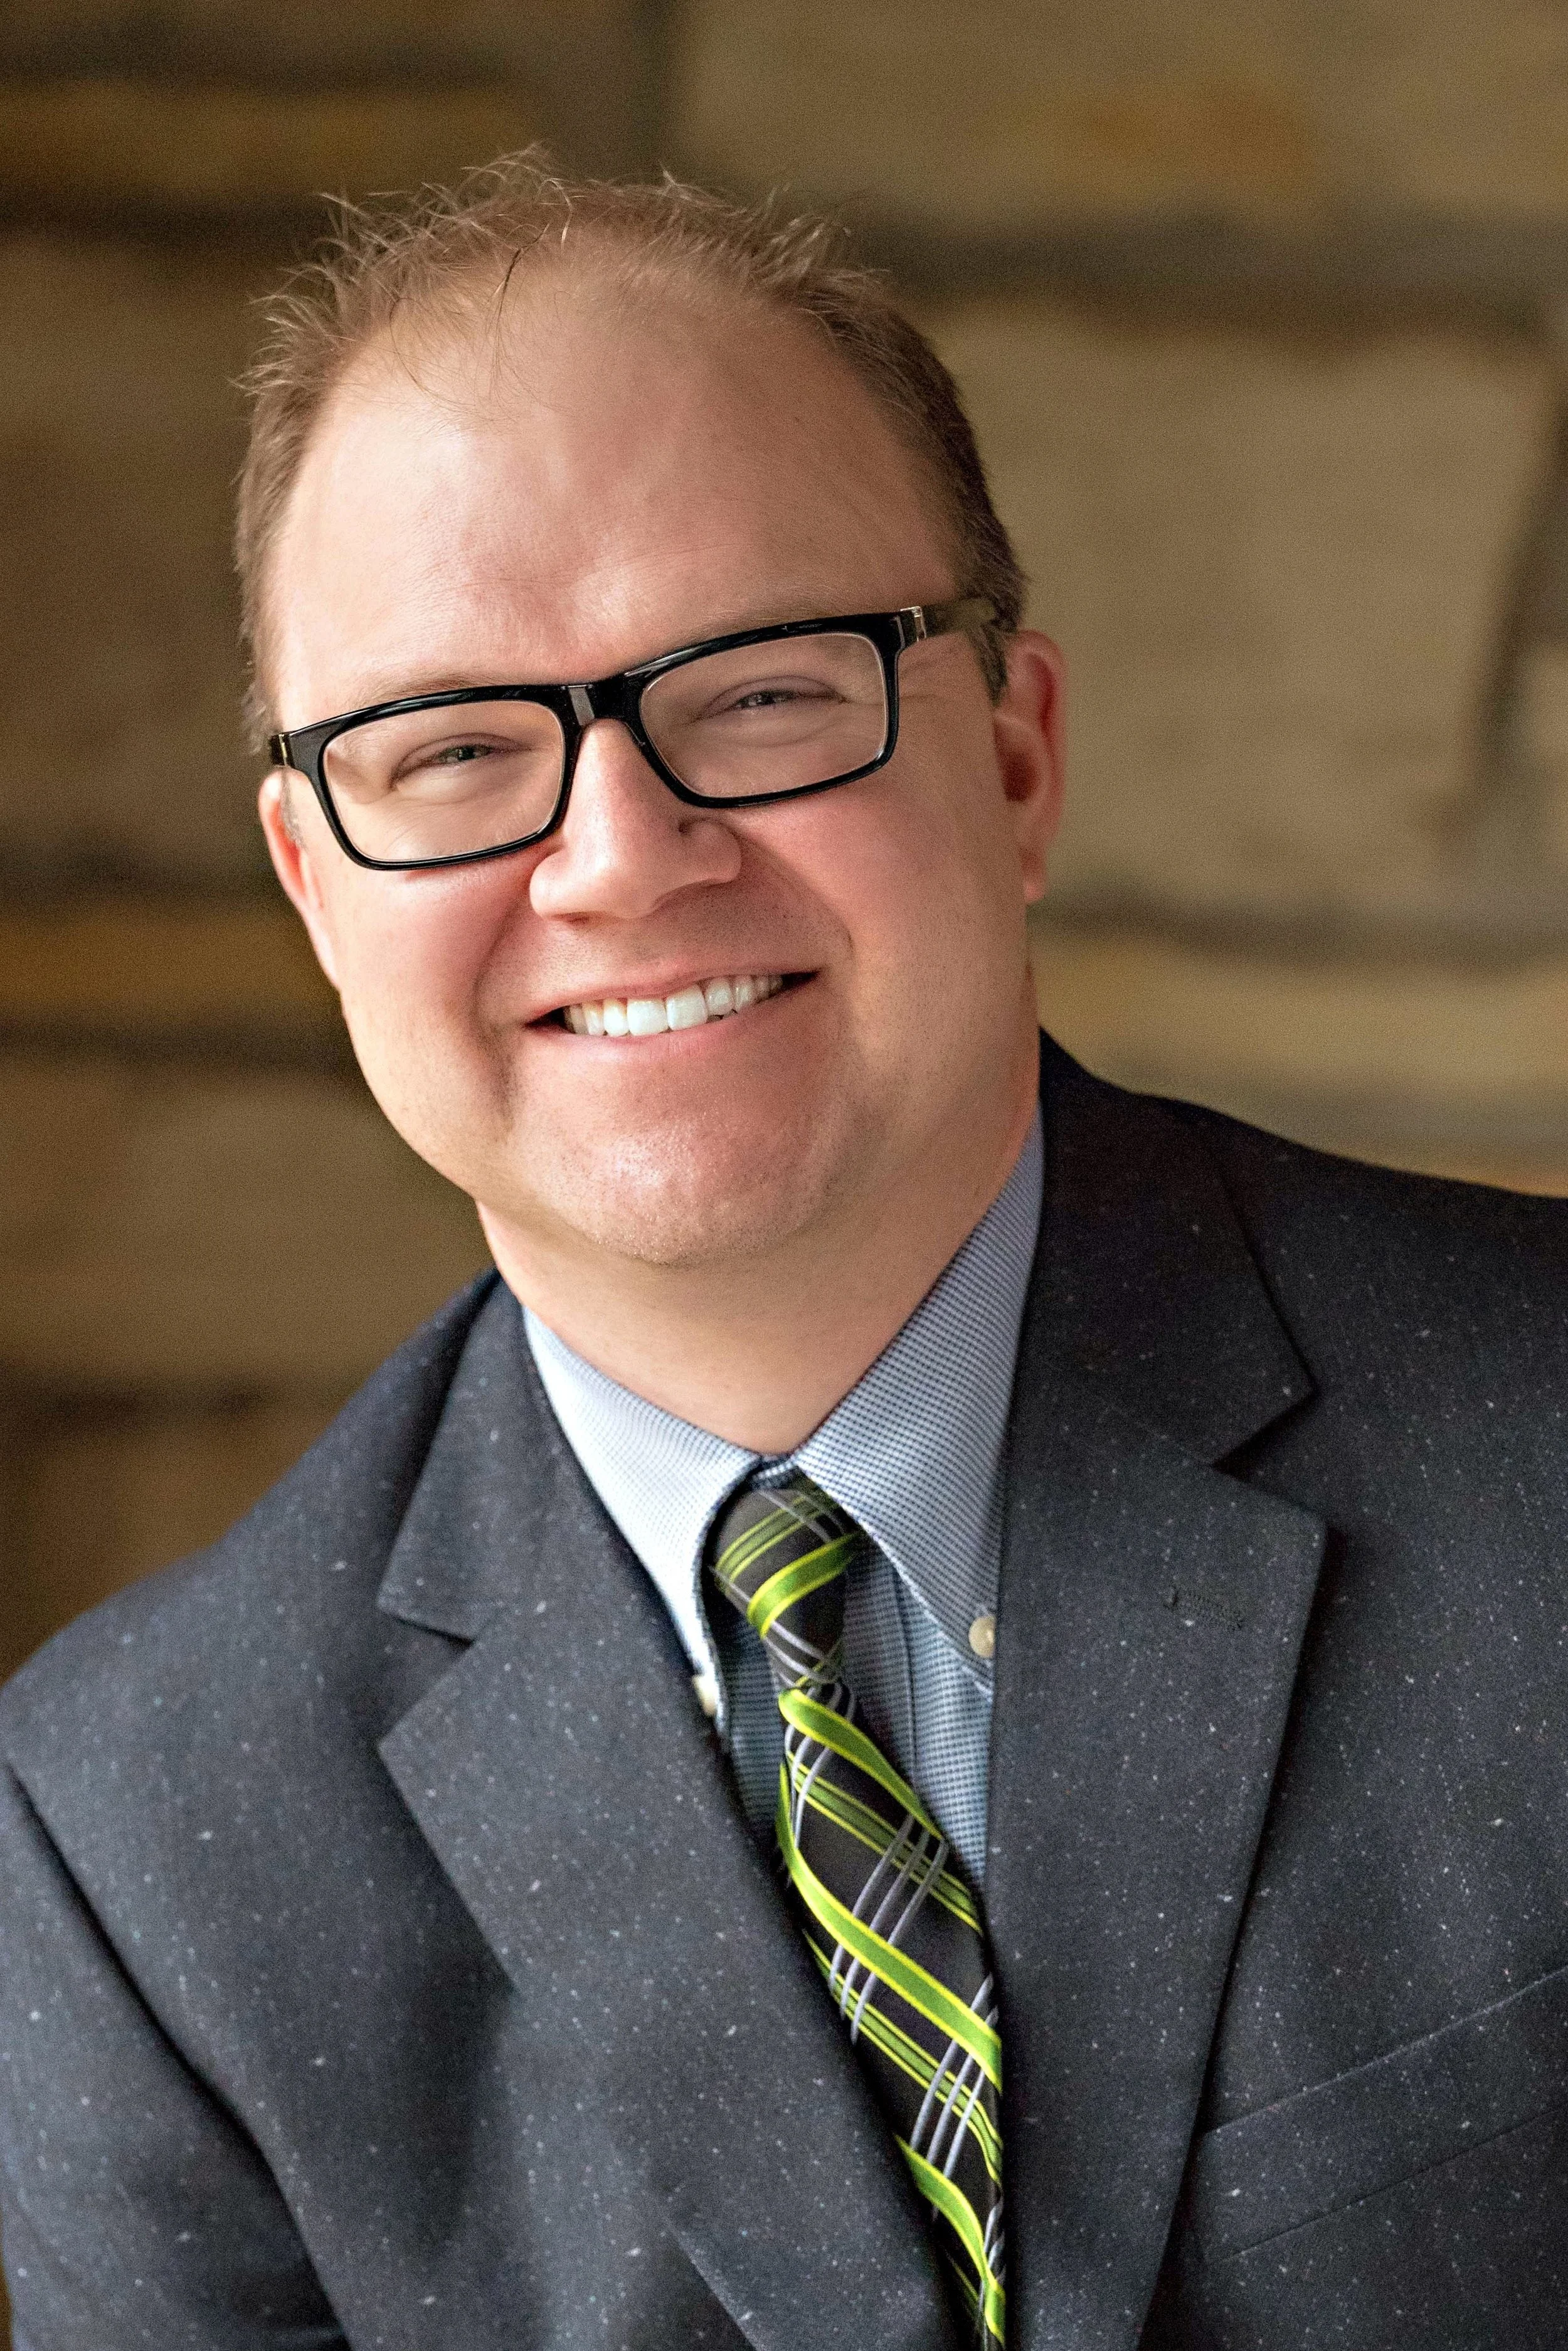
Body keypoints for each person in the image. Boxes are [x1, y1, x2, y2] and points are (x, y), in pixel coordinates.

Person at [3, 154, 1567, 2351]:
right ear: (314, 886)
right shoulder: (138, 1839)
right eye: (449, 752)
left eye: (756, 691)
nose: (620, 859)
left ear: (1014, 755)